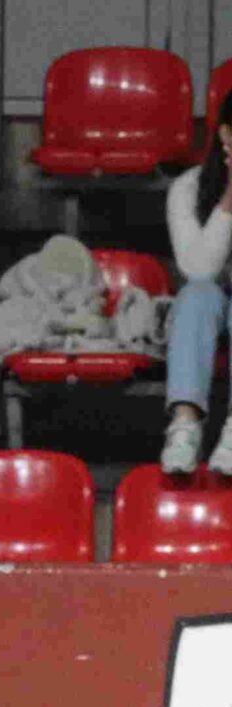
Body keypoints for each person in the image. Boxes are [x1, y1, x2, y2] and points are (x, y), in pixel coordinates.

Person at [165, 88, 232, 474]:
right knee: (195, 294)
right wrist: (229, 200)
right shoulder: (187, 188)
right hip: (208, 302)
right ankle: (185, 427)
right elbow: (199, 268)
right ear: (226, 134)